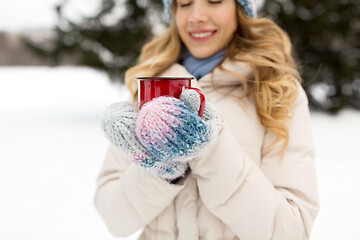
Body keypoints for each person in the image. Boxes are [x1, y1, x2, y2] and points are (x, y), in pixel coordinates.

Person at [94, 0, 320, 239]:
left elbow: (291, 231)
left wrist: (209, 146)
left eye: (214, 1)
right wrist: (161, 171)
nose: (196, 16)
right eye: (185, 3)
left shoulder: (276, 91)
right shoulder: (151, 88)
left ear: (240, 9)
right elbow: (114, 220)